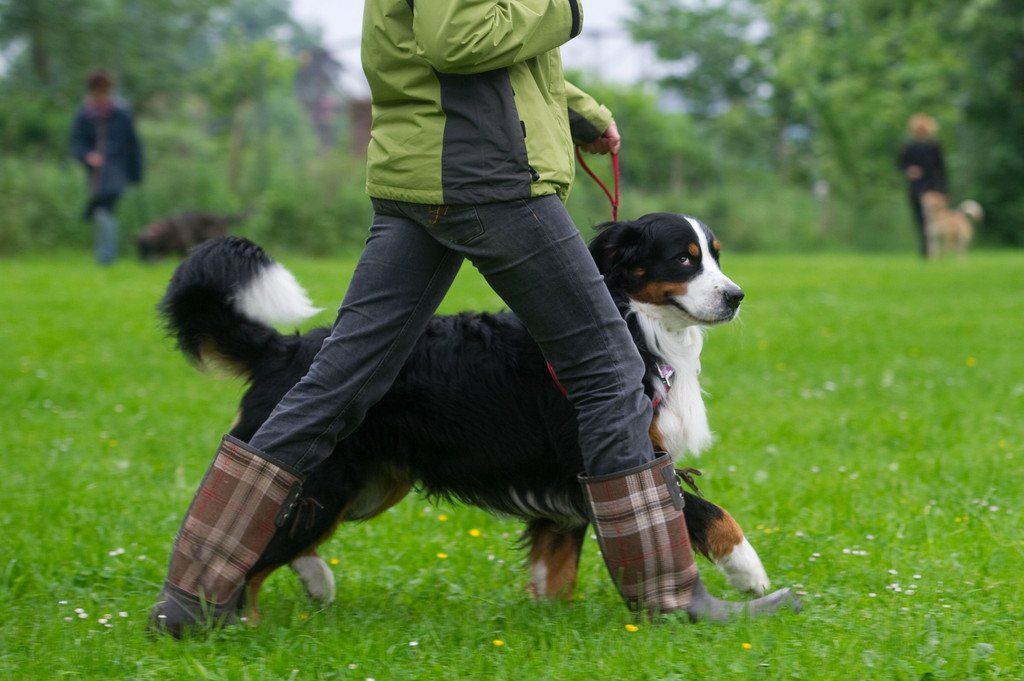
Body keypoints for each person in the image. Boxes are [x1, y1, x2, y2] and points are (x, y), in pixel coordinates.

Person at [150, 0, 796, 636]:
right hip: (489, 176)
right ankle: (670, 596)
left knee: (337, 380)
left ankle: (196, 596)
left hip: (421, 170)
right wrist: (564, 12)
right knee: (608, 369)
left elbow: (482, 51)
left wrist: (578, 113)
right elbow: (457, 37)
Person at [70, 70, 143, 266]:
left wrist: (136, 174)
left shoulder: (122, 113)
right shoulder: (84, 115)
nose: (101, 95)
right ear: (92, 91)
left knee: (104, 208)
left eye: (105, 91)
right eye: (98, 91)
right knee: (101, 211)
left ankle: (106, 257)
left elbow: (134, 145)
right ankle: (104, 253)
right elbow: (76, 144)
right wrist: (87, 155)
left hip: (117, 169)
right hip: (95, 174)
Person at [897, 114, 948, 257]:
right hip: (917, 187)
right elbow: (900, 163)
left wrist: (944, 189)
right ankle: (927, 249)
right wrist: (909, 170)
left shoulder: (934, 145)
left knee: (934, 220)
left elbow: (941, 168)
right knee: (921, 219)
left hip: (932, 186)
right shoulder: (909, 146)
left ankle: (935, 249)